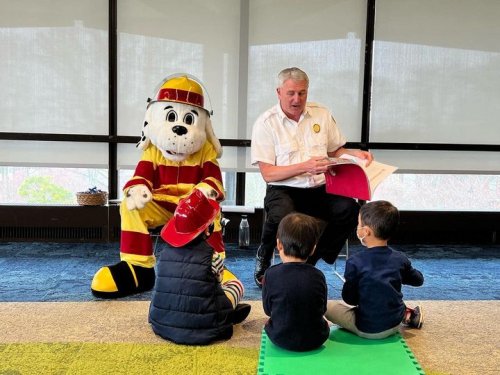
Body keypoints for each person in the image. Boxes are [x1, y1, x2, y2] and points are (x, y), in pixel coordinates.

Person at [251, 67, 373, 287]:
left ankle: (310, 261)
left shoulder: (322, 114)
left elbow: (336, 151)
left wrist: (354, 154)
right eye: (291, 93)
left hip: (320, 188)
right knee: (280, 215)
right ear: (279, 92)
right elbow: (268, 173)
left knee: (350, 210)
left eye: (302, 93)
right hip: (284, 188)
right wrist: (303, 167)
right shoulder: (266, 123)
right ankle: (264, 257)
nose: (297, 99)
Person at [149, 189, 251, 345]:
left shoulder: (162, 254)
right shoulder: (213, 256)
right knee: (235, 284)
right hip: (206, 325)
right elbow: (216, 284)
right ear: (206, 229)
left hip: (162, 322)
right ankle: (229, 314)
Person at [325, 200, 424, 339]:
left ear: (366, 231)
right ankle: (407, 314)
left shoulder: (354, 262)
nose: (357, 227)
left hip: (366, 328)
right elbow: (418, 280)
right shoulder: (400, 259)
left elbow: (350, 299)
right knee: (389, 294)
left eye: (358, 224)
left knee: (327, 306)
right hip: (394, 324)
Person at [262, 212, 330, 352]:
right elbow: (322, 309)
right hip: (317, 338)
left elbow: (268, 310)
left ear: (279, 244)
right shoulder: (318, 275)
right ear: (313, 249)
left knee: (268, 323)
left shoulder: (270, 274)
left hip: (279, 338)